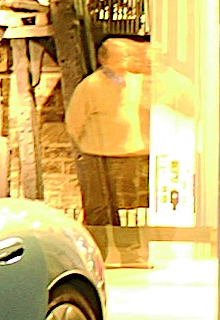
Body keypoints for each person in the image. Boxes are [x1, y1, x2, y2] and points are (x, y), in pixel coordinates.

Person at [66, 37, 152, 268]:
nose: (127, 59)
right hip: (97, 155)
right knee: (98, 209)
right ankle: (98, 257)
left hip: (130, 154)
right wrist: (87, 145)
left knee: (129, 208)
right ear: (105, 59)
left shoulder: (136, 82)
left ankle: (131, 255)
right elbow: (75, 120)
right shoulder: (91, 85)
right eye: (121, 55)